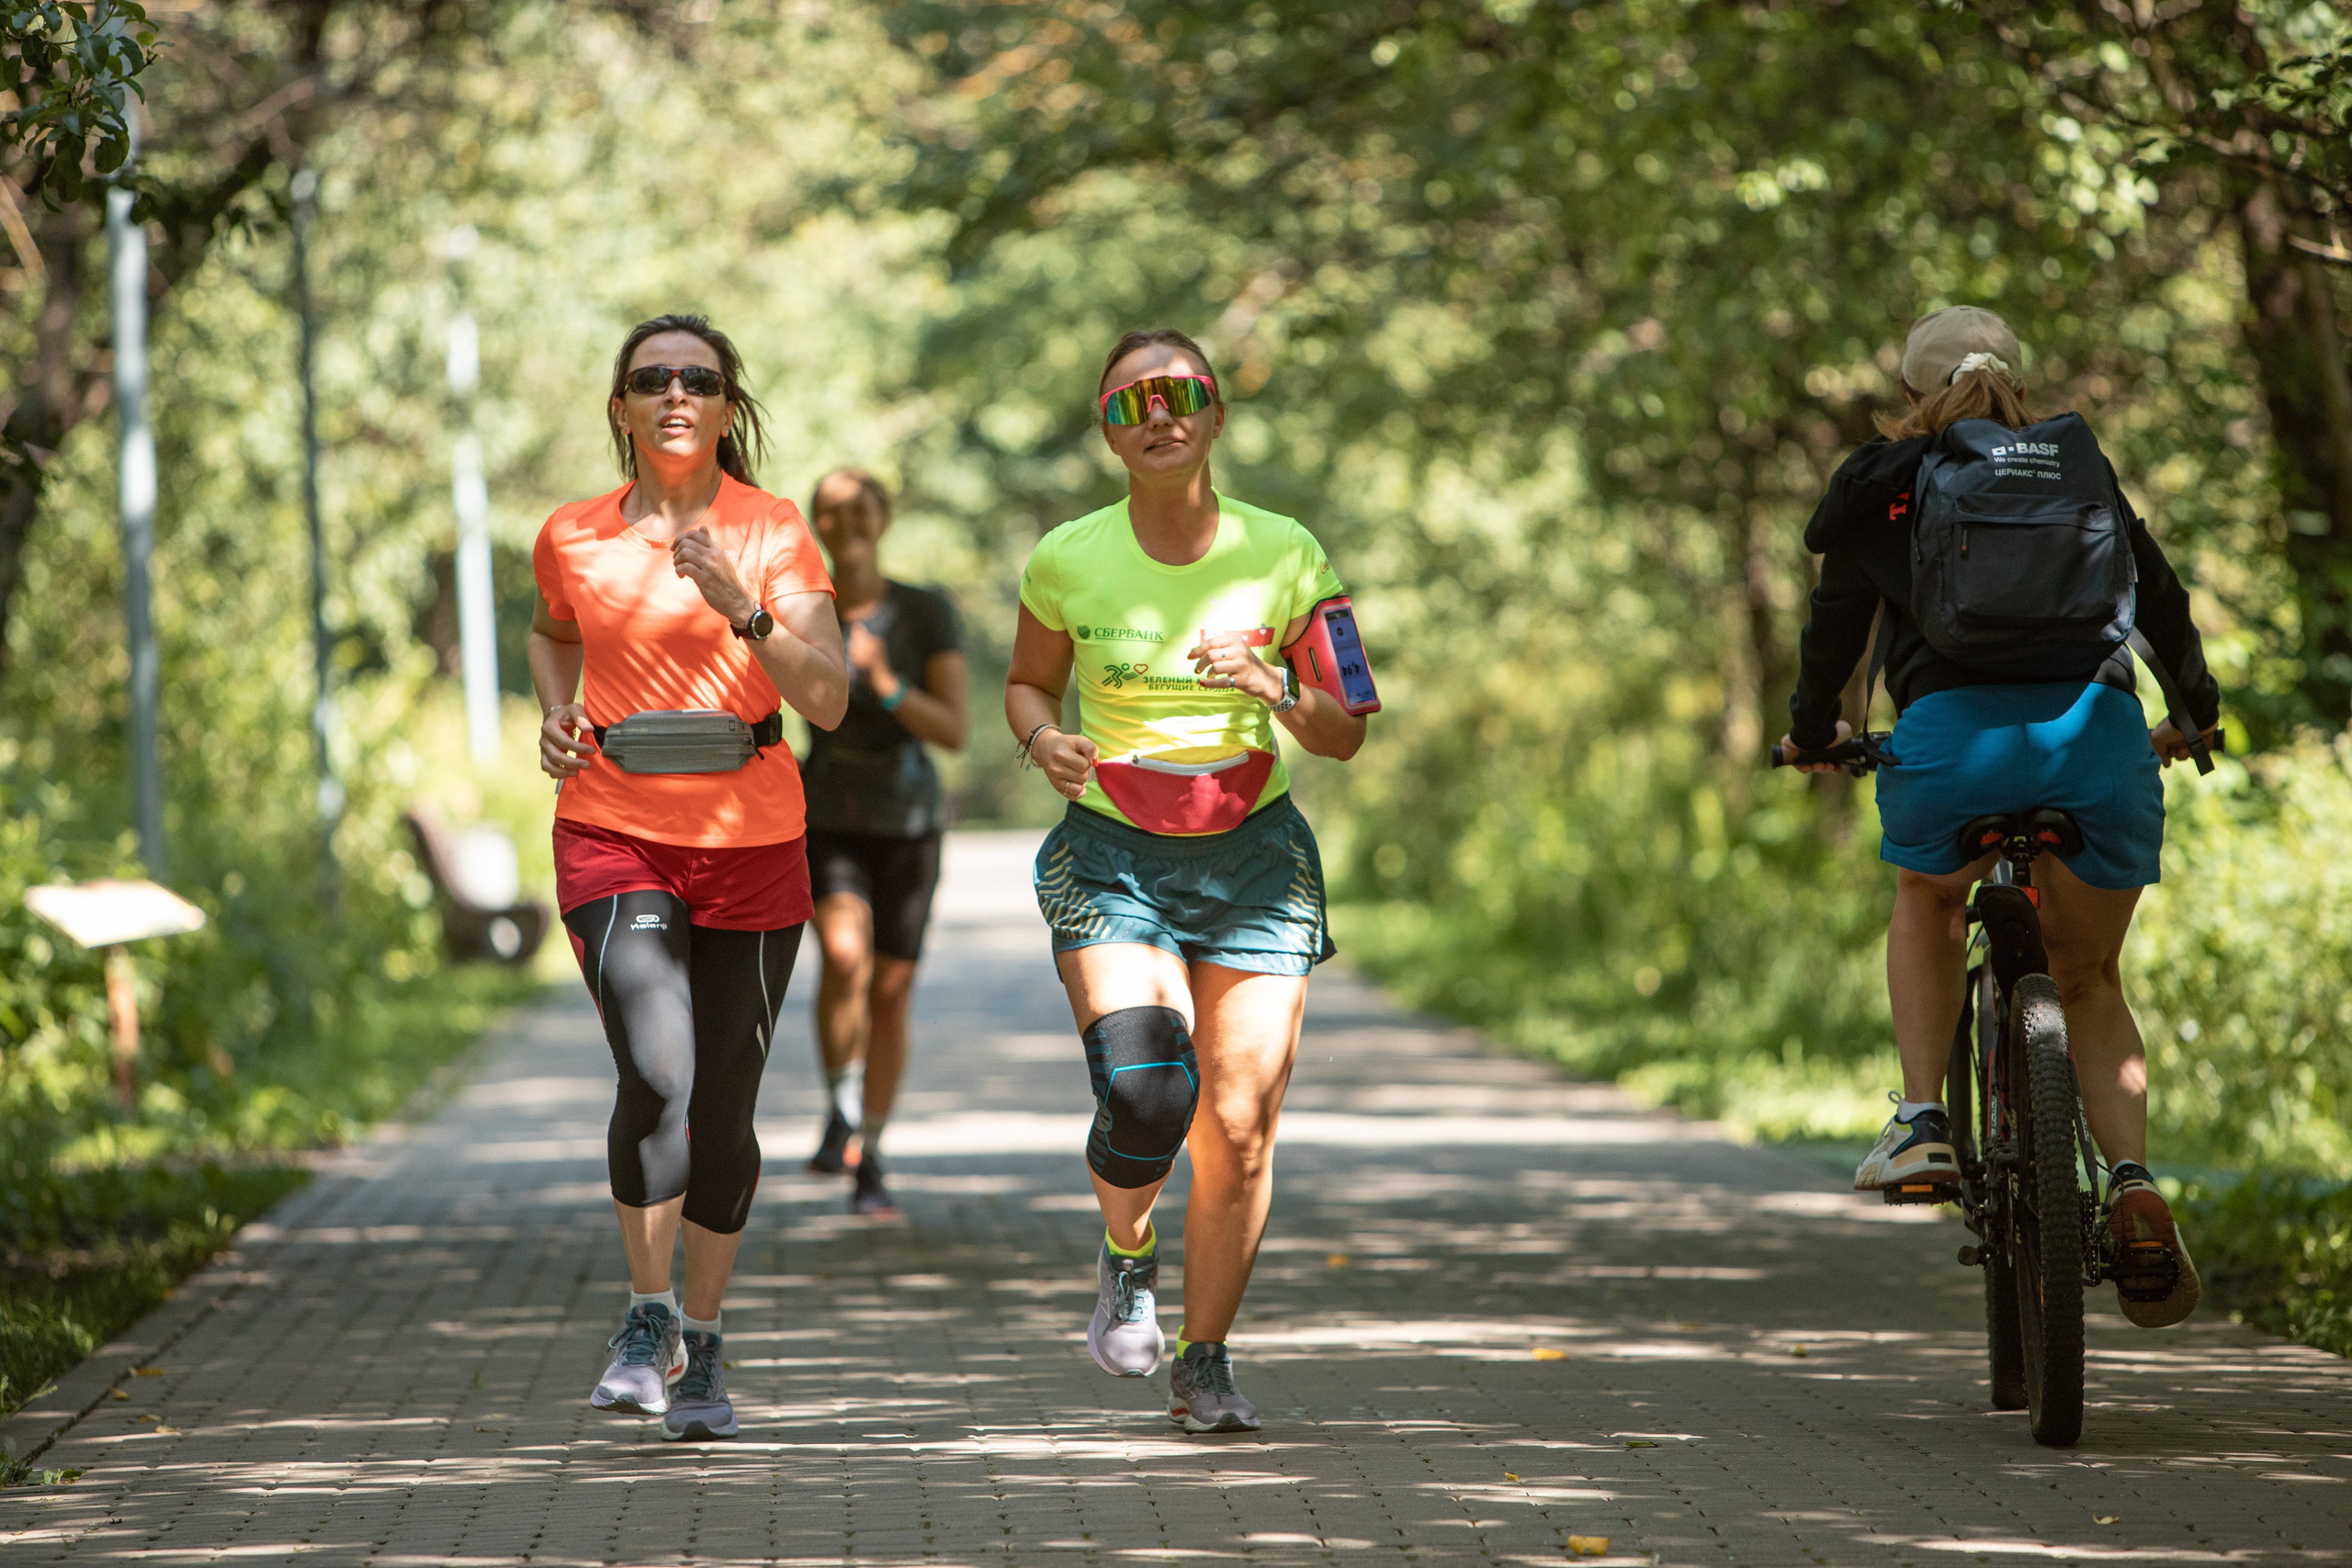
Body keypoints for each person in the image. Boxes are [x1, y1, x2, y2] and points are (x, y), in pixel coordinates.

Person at [1780, 305, 2220, 1329]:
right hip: (2098, 743)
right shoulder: (2076, 470)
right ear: (2019, 384)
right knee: (2090, 974)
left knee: (1928, 900)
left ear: (1908, 395)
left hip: (1949, 753)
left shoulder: (1886, 491)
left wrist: (1811, 733)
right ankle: (2130, 1181)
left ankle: (1923, 1117)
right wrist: (2195, 714)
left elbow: (1831, 635)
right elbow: (2159, 597)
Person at [1007, 327, 1371, 1433]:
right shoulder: (1067, 557)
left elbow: (1345, 729)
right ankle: (1126, 1251)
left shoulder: (1289, 553)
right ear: (1109, 435)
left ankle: (1204, 1358)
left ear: (1214, 414)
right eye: (1131, 404)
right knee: (1145, 1087)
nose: (1158, 416)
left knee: (1243, 1123)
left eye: (1181, 395)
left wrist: (1272, 680)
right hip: (1112, 851)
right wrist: (1042, 743)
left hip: (1255, 861)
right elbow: (1027, 685)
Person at [530, 313, 847, 1439]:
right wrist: (555, 715)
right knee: (657, 1074)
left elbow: (827, 699)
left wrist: (742, 606)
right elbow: (552, 633)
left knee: (723, 1109)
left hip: (753, 841)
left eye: (698, 379)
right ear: (619, 407)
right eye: (651, 378)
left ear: (725, 406)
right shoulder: (569, 534)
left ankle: (704, 1346)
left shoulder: (773, 529)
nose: (675, 392)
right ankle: (646, 1315)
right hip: (612, 828)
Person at [798, 469, 968, 1217]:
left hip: (908, 819)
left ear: (884, 517)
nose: (847, 520)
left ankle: (871, 1147)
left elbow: (955, 728)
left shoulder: (925, 610)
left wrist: (882, 679)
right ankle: (840, 1106)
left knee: (892, 991)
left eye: (860, 507)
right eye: (830, 511)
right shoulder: (804, 607)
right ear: (818, 526)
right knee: (842, 956)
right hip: (826, 810)